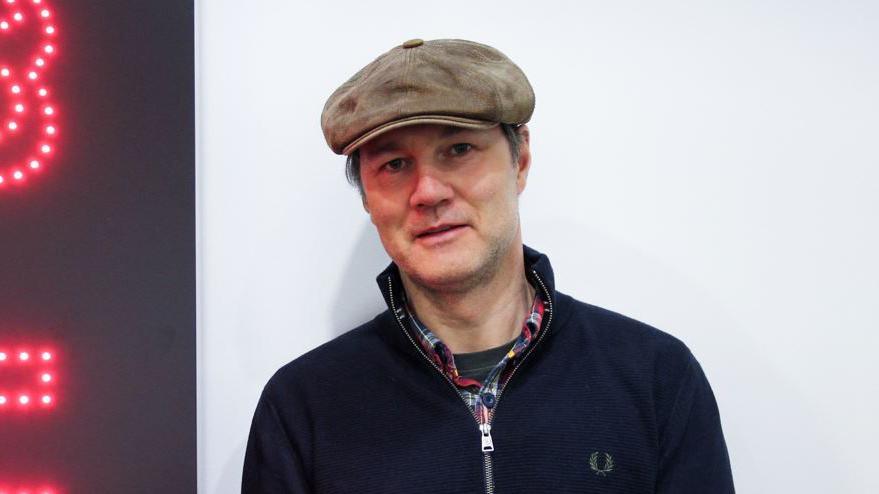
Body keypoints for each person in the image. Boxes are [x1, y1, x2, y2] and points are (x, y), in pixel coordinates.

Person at [242, 38, 734, 493]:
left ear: (520, 161)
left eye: (458, 150)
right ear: (368, 199)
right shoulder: (302, 407)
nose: (428, 192)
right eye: (394, 164)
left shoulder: (654, 378)